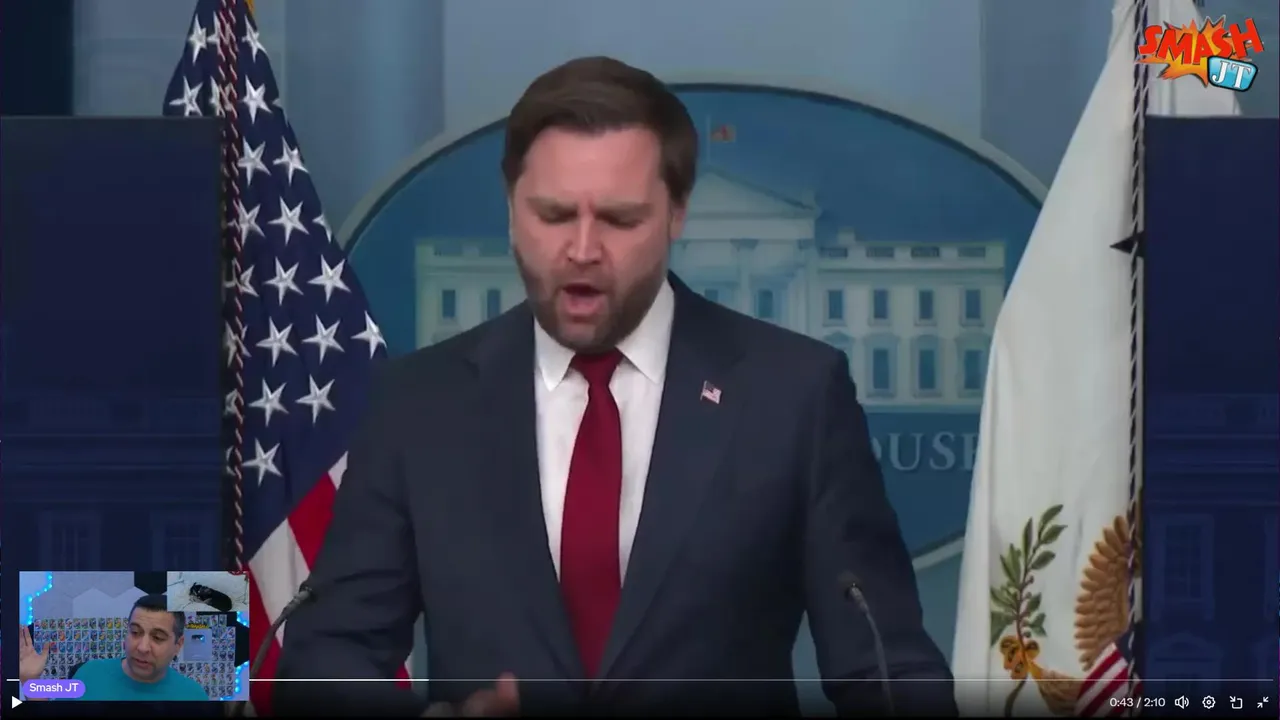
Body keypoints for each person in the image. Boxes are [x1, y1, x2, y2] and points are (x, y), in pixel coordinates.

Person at [276, 56, 955, 716]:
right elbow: (328, 658)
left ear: (677, 214)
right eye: (552, 215)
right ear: (510, 211)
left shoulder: (795, 396)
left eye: (620, 220)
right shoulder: (420, 404)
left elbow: (886, 667)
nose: (582, 249)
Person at [18, 595, 209, 702]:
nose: (142, 647)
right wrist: (29, 680)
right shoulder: (89, 672)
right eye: (135, 632)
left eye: (157, 638)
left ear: (178, 645)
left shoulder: (193, 696)